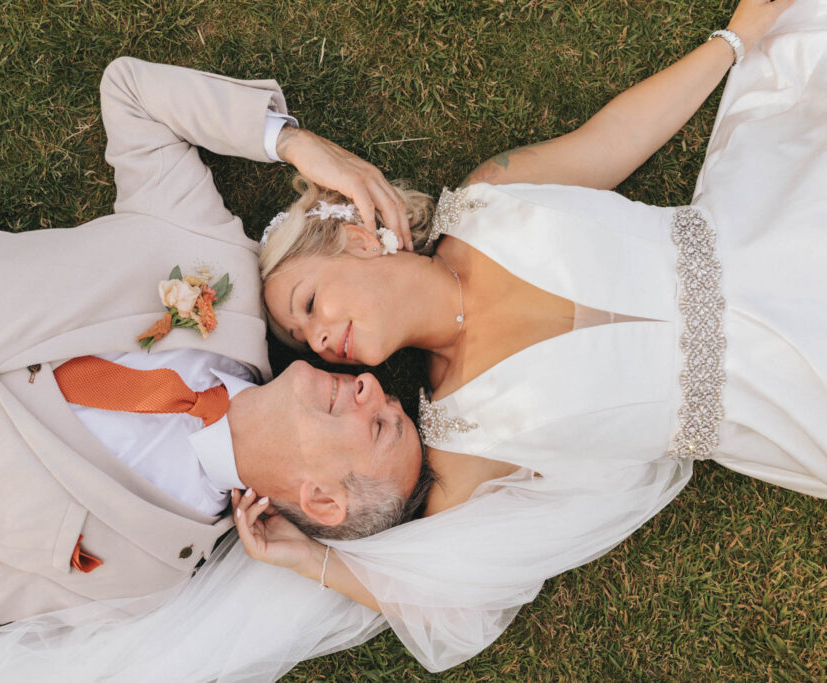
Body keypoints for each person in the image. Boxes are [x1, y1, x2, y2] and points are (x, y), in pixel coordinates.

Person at [250, 0, 827, 670]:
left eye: (309, 303)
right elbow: (454, 600)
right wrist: (309, 557)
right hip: (785, 396)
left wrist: (734, 40)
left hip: (774, 229)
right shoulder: (462, 445)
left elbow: (614, 138)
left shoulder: (489, 198)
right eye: (306, 340)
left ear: (355, 237)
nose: (321, 338)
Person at [0, 56, 430, 632]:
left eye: (381, 426)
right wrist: (295, 144)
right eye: (390, 402)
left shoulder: (139, 571)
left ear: (321, 499)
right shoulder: (220, 272)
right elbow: (132, 93)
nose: (373, 387)